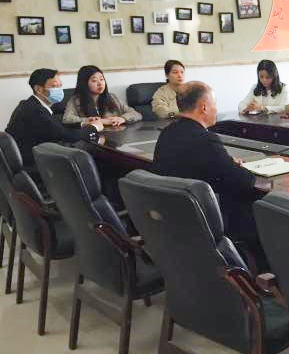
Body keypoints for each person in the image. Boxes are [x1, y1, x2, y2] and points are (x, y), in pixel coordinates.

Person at [151, 81, 265, 268]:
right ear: (204, 107)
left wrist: (226, 163)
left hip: (174, 220)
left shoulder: (167, 133)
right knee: (257, 206)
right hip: (204, 222)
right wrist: (235, 167)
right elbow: (245, 181)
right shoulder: (205, 140)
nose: (216, 108)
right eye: (214, 103)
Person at [6, 68, 102, 167]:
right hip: (32, 164)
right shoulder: (36, 111)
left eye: (60, 86)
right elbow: (66, 136)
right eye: (55, 86)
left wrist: (83, 123)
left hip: (30, 156)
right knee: (91, 152)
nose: (59, 90)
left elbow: (56, 126)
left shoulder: (31, 104)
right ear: (38, 89)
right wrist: (94, 127)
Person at [62, 65, 142, 126]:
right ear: (84, 83)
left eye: (102, 79)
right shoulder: (76, 100)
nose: (100, 83)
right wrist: (90, 121)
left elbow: (136, 114)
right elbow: (67, 119)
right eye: (94, 80)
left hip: (115, 135)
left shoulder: (112, 97)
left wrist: (123, 118)